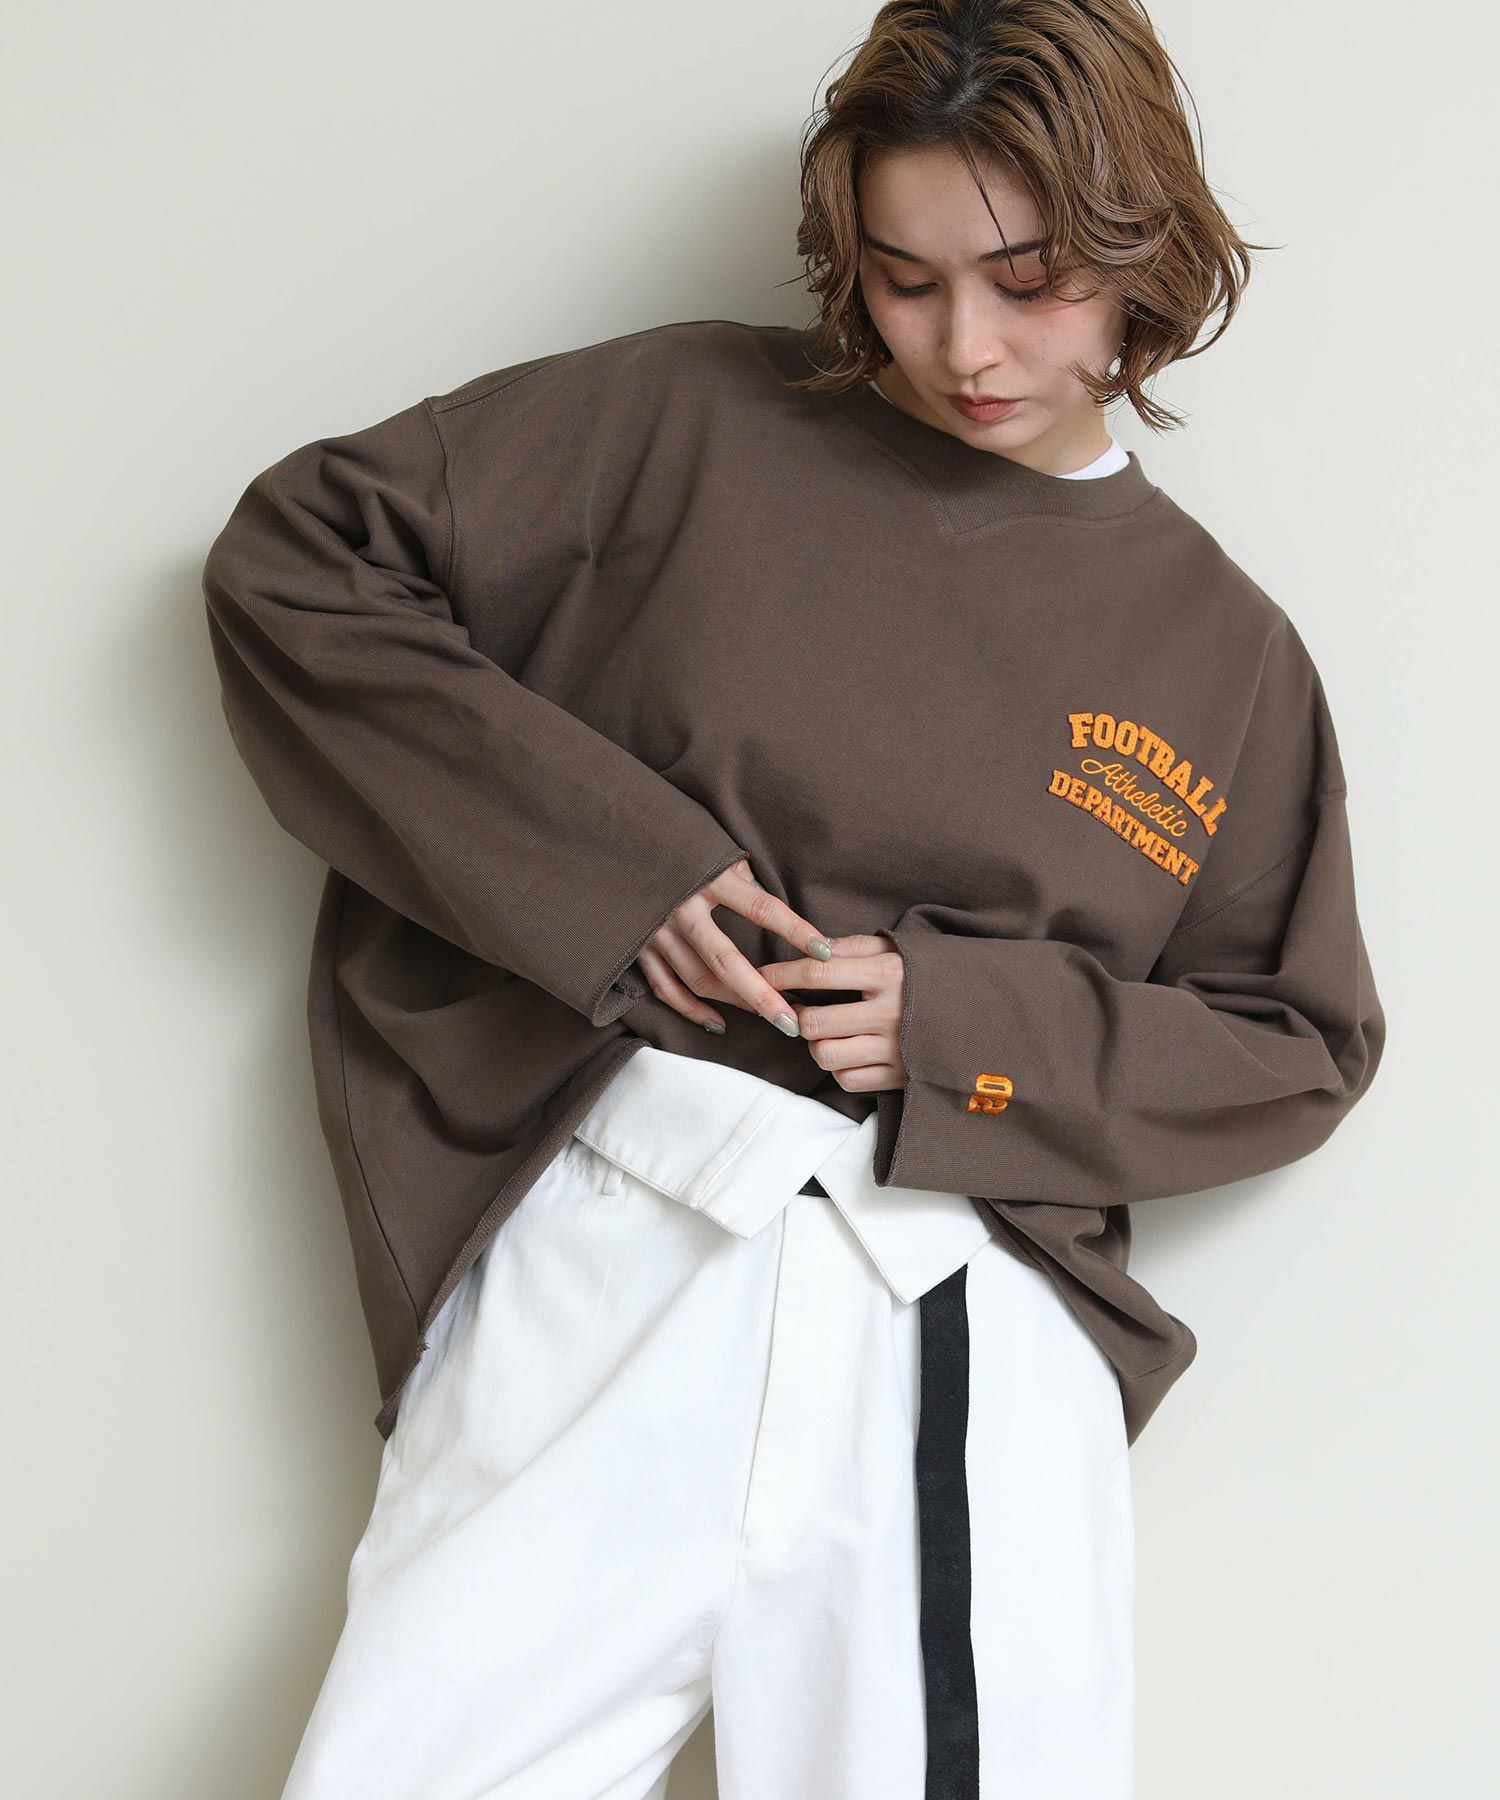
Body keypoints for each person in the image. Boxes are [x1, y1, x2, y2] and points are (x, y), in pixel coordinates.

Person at [201, 2, 1386, 1795]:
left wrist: (958, 1027)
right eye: (906, 281)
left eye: (1031, 280)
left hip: (961, 1295)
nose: (965, 346)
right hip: (623, 1236)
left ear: (1146, 244)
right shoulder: (686, 425)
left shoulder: (1226, 653)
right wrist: (620, 873)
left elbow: (1295, 1041)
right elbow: (301, 567)